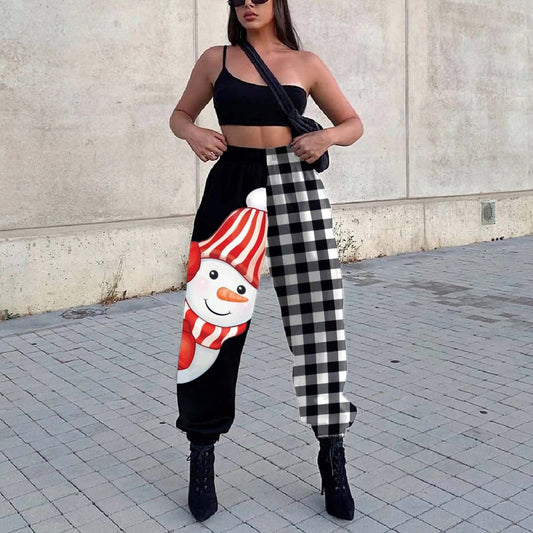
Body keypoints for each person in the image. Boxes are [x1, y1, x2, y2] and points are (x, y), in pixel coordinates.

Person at [168, 0, 364, 522]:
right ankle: (202, 452)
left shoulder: (306, 63)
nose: (248, 3)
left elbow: (353, 123)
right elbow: (179, 115)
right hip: (232, 184)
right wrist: (193, 133)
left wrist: (325, 136)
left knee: (318, 320)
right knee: (211, 321)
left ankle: (332, 453)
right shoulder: (216, 59)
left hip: (296, 186)